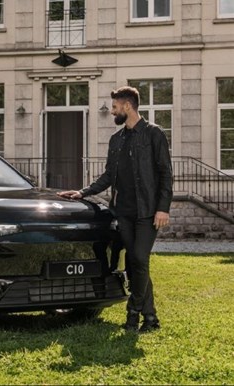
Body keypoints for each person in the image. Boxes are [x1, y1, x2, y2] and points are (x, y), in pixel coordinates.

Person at [57, 86, 172, 333]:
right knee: (135, 263)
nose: (112, 112)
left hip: (148, 211)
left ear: (127, 106)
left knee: (138, 259)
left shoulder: (154, 134)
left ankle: (133, 314)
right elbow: (109, 175)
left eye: (115, 107)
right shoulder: (116, 140)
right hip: (123, 212)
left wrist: (163, 208)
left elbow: (165, 174)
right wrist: (83, 192)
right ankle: (150, 318)